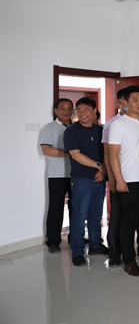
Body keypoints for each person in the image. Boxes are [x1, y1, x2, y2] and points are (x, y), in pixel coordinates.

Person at [108, 85, 139, 276]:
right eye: (135, 99)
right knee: (128, 222)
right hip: (130, 179)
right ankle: (129, 259)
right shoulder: (118, 125)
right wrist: (119, 180)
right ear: (126, 102)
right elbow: (113, 155)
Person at [64, 97, 108, 266]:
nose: (82, 113)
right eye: (79, 110)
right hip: (82, 178)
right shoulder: (72, 131)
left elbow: (107, 153)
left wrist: (102, 170)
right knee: (79, 214)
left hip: (99, 178)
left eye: (86, 109)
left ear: (94, 111)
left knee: (96, 213)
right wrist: (99, 166)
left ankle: (96, 244)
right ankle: (77, 251)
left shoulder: (101, 130)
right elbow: (76, 155)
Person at [40, 98, 73, 253]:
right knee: (56, 207)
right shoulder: (49, 128)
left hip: (76, 174)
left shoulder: (77, 127)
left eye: (69, 108)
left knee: (76, 208)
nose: (66, 111)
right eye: (63, 108)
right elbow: (46, 150)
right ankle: (53, 241)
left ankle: (76, 237)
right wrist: (71, 153)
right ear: (56, 110)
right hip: (57, 175)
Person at [103, 88, 127, 267]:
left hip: (136, 178)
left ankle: (135, 250)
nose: (137, 103)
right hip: (118, 176)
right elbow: (107, 154)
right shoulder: (112, 124)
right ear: (120, 102)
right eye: (130, 99)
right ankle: (114, 253)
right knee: (117, 216)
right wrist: (111, 177)